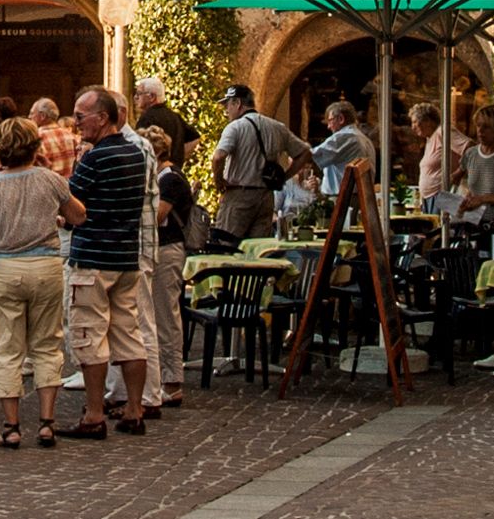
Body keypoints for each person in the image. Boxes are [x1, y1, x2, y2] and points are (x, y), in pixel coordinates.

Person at [0, 114, 75, 446]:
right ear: (33, 146)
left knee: (6, 347)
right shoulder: (50, 179)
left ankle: (12, 426)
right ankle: (46, 422)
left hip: (7, 268)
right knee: (46, 345)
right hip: (46, 265)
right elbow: (78, 215)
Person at [60, 87, 154, 436]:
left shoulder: (95, 158)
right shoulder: (136, 153)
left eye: (81, 116)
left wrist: (68, 217)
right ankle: (134, 408)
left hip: (94, 258)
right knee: (129, 334)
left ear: (102, 118)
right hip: (125, 257)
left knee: (89, 335)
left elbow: (72, 204)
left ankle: (94, 414)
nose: (76, 122)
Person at [141, 115, 199, 407]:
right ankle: (160, 376)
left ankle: (173, 379)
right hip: (158, 250)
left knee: (166, 315)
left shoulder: (170, 179)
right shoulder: (161, 177)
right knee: (156, 314)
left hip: (167, 250)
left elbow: (158, 216)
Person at [206, 85, 306, 241]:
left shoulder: (235, 127)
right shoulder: (277, 127)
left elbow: (218, 157)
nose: (226, 110)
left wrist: (219, 182)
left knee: (227, 245)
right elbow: (304, 153)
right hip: (266, 196)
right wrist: (285, 177)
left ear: (237, 103)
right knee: (257, 249)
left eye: (227, 105)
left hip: (239, 194)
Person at [306, 100, 373, 202]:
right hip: (357, 197)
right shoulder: (364, 139)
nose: (328, 127)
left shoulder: (345, 136)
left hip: (343, 200)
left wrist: (294, 149)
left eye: (330, 121)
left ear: (341, 119)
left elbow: (312, 155)